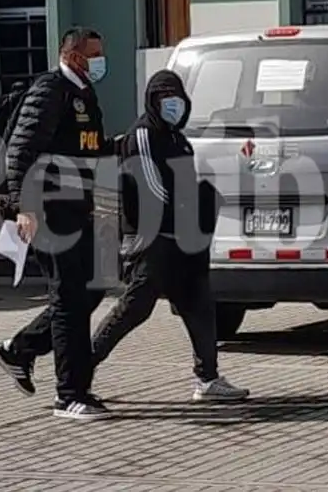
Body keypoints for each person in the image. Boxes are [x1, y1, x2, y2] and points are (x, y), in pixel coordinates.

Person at [91, 69, 250, 401]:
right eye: (165, 99)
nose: (172, 105)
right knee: (135, 308)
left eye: (176, 98)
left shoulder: (179, 139)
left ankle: (208, 379)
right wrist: (191, 210)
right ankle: (81, 367)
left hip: (182, 240)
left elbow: (186, 185)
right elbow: (153, 192)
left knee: (200, 305)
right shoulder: (143, 136)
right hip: (152, 240)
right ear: (152, 101)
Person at [0, 27, 118, 421]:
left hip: (77, 209)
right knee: (68, 300)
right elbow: (21, 150)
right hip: (47, 210)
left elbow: (89, 150)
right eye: (95, 54)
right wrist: (22, 206)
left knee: (91, 291)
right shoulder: (51, 90)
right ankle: (70, 394)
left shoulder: (83, 92)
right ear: (75, 55)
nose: (101, 61)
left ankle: (20, 350)